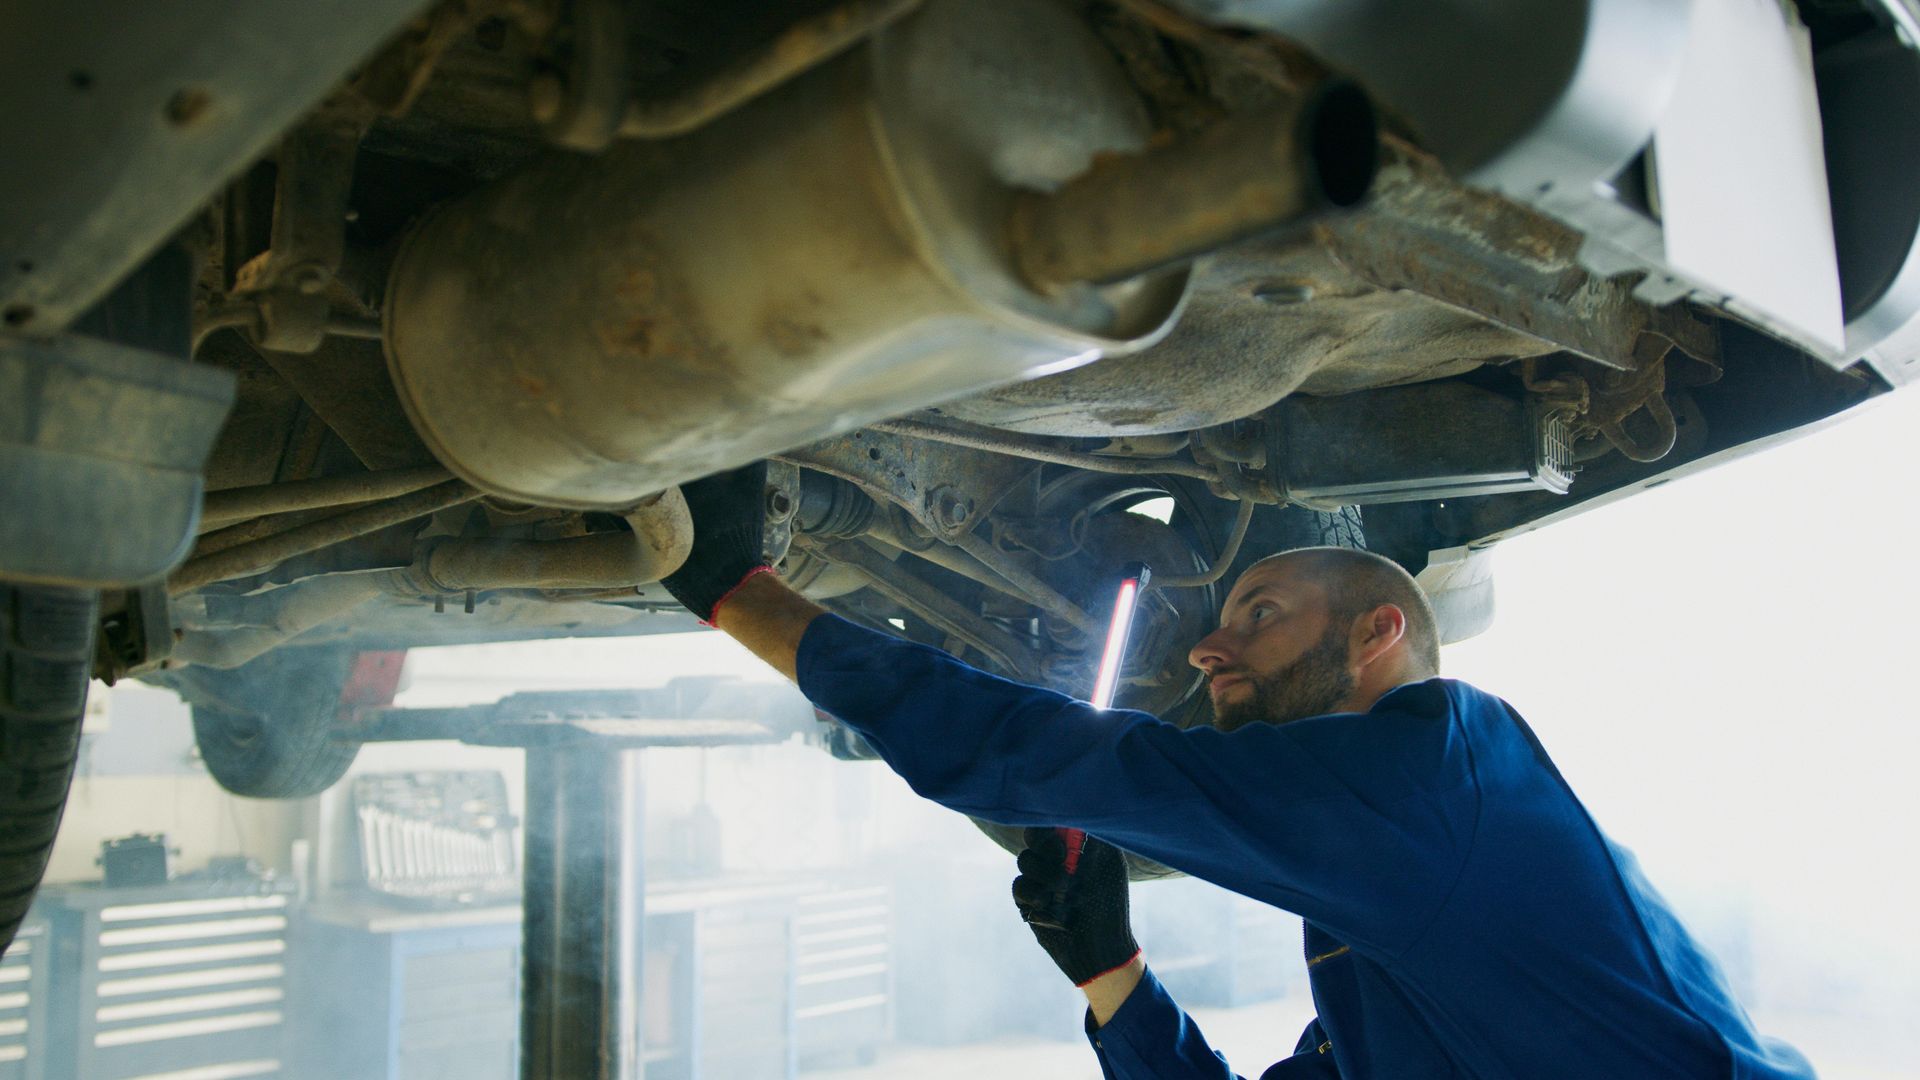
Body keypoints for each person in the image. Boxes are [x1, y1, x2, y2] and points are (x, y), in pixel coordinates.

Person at [659, 465, 1814, 1078]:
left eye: (1259, 612)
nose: (1207, 647)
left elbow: (1066, 762)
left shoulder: (1434, 776)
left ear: (1378, 635)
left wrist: (743, 596)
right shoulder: (1401, 913)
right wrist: (1111, 973)